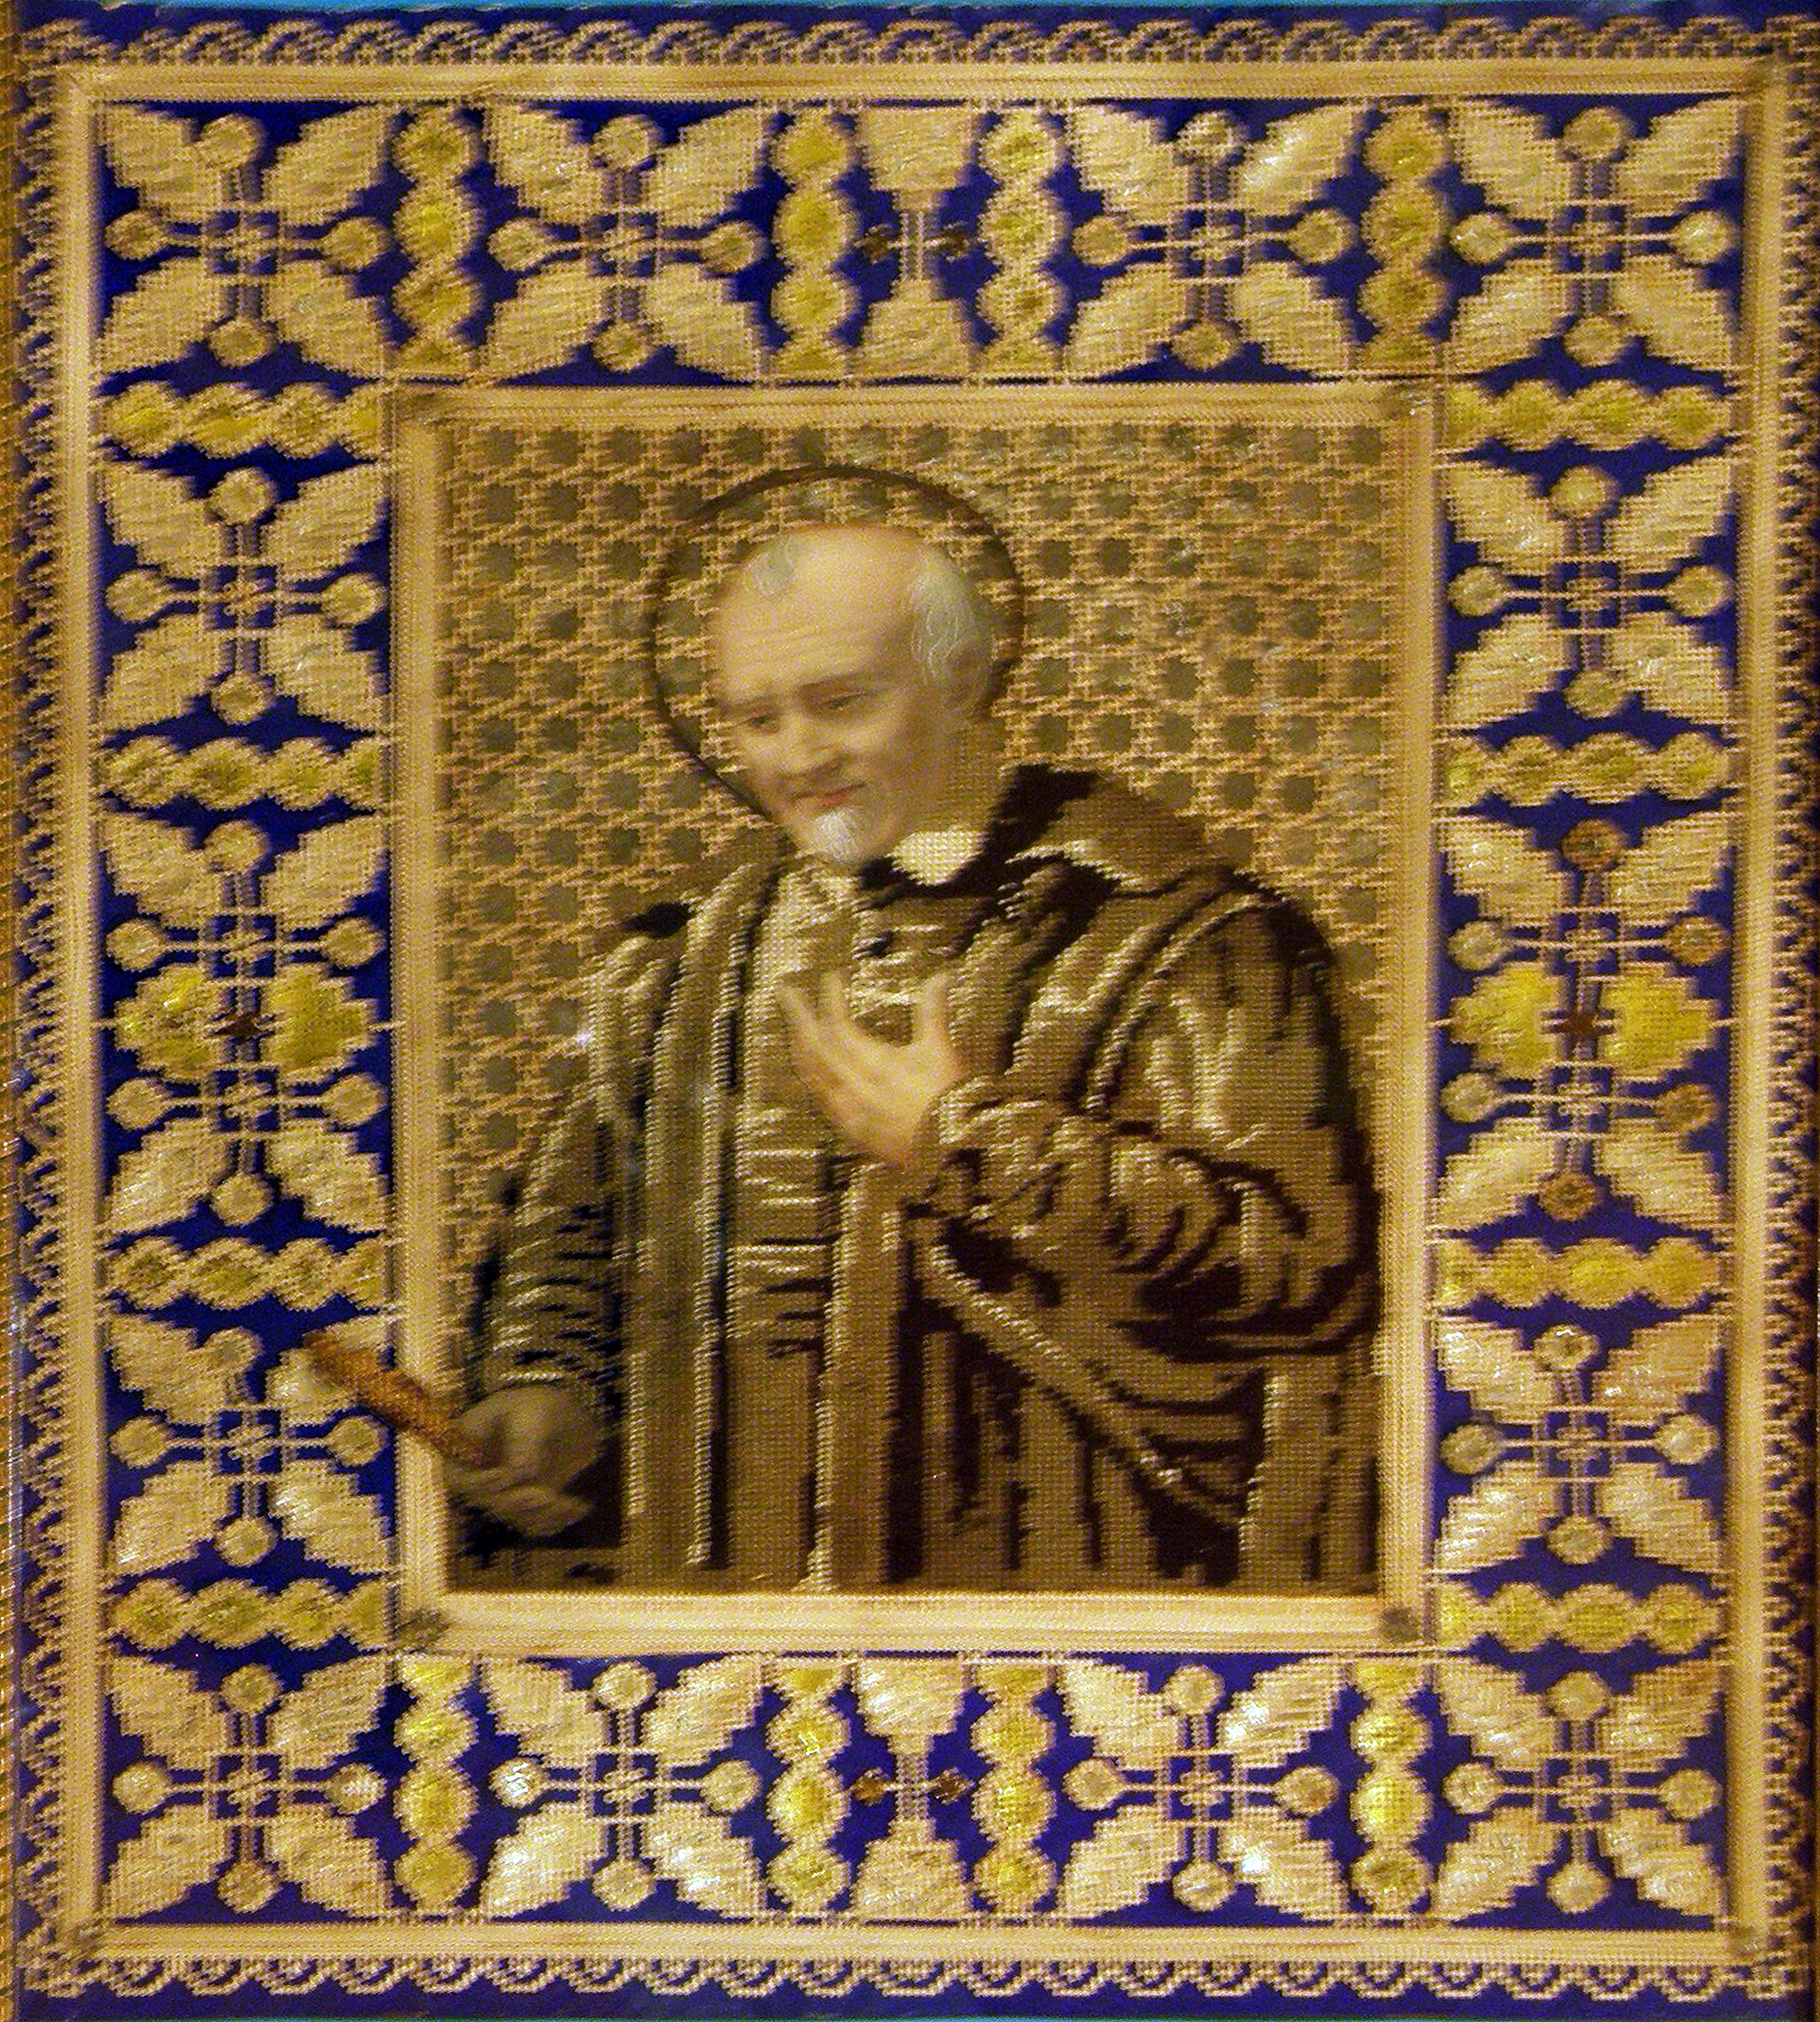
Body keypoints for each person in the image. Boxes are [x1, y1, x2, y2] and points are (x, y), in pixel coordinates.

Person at [446, 523, 1377, 1590]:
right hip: (721, 1577)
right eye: (758, 718)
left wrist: (970, 1142)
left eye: (841, 702)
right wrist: (549, 1386)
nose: (798, 757)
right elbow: (578, 1223)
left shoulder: (1178, 930)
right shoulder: (680, 957)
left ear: (960, 677)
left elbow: (1308, 1264)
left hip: (1053, 1566)